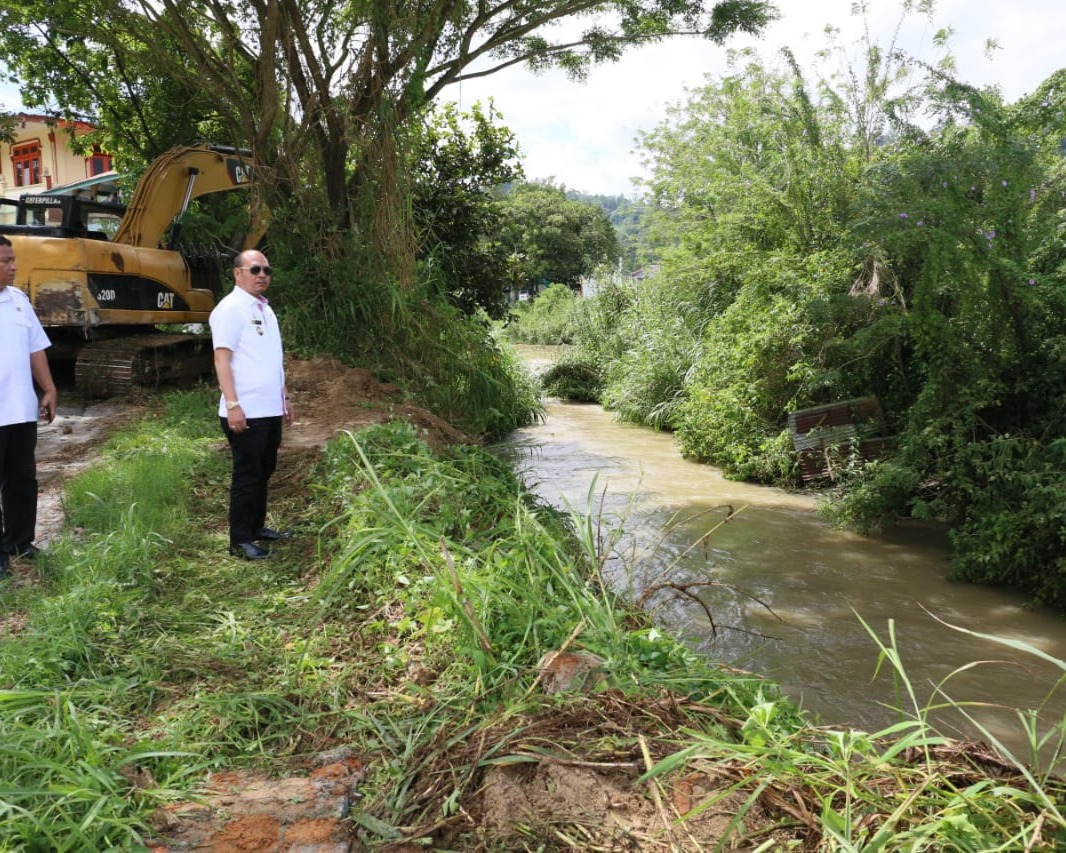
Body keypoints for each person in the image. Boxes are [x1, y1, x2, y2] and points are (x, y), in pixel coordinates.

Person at [210, 250, 294, 560]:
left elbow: (272, 359)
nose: (262, 275)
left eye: (266, 270)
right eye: (255, 269)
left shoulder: (265, 310)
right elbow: (222, 360)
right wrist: (233, 404)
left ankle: (256, 527)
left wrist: (284, 397)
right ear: (237, 273)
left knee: (264, 469)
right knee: (247, 475)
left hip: (269, 408)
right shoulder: (230, 309)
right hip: (246, 410)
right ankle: (240, 540)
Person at [0, 235, 58, 578]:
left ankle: (20, 541)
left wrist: (48, 388)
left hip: (20, 409)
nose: (13, 266)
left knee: (22, 478)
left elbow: (35, 347)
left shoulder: (19, 300)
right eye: (5, 261)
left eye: (13, 259)